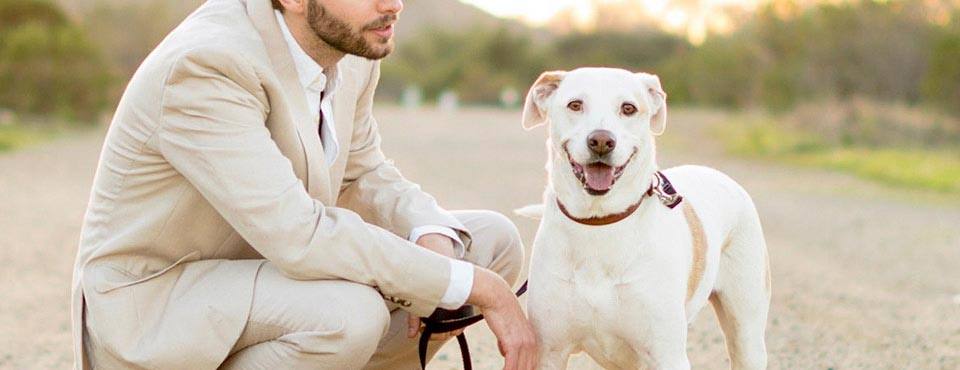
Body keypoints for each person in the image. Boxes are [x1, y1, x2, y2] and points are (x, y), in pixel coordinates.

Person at [69, 0, 539, 369]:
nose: (394, 4)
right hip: (159, 301)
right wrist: (471, 287)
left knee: (487, 243)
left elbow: (362, 172)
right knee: (348, 316)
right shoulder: (207, 64)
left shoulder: (349, 44)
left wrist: (429, 237)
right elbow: (298, 234)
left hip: (271, 273)